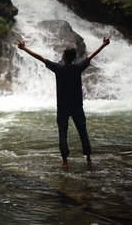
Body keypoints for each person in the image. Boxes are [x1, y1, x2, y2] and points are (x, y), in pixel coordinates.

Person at [16, 35, 111, 167]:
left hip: (62, 107)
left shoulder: (58, 68)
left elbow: (39, 57)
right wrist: (104, 44)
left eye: (63, 52)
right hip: (77, 106)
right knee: (83, 131)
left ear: (64, 56)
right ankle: (88, 159)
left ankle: (65, 161)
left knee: (62, 132)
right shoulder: (78, 67)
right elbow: (92, 55)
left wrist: (24, 48)